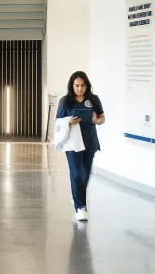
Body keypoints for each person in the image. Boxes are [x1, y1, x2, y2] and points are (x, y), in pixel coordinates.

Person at [55, 71, 105, 222]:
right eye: (77, 85)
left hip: (89, 141)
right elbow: (58, 121)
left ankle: (77, 197)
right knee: (76, 174)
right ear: (72, 86)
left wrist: (97, 120)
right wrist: (68, 122)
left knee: (85, 174)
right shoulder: (65, 101)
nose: (80, 88)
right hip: (72, 143)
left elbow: (102, 117)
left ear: (87, 86)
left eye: (83, 85)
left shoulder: (93, 99)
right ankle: (80, 207)